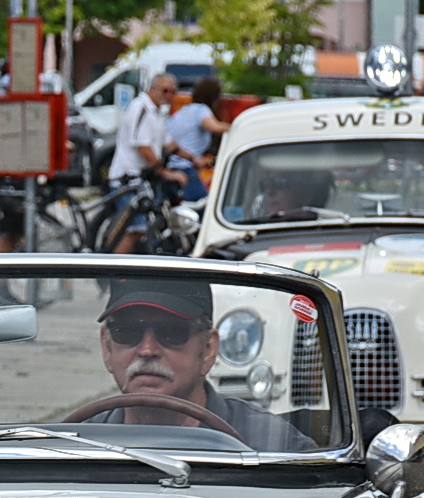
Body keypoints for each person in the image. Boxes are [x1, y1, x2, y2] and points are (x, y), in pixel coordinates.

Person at [88, 279, 312, 452]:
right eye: (126, 332)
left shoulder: (271, 446)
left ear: (208, 349)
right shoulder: (77, 444)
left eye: (172, 332)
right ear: (107, 347)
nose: (147, 350)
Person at [106, 72, 198, 250]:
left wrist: (196, 160)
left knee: (146, 229)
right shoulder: (141, 108)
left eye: (173, 91)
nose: (169, 96)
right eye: (165, 91)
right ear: (152, 89)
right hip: (128, 179)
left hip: (142, 181)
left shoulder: (156, 112)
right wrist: (165, 172)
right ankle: (113, 275)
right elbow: (143, 147)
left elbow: (169, 144)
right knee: (135, 231)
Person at [164, 77, 227, 200]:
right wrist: (237, 127)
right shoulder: (201, 110)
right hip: (185, 169)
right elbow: (214, 127)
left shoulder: (184, 111)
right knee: (202, 209)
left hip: (170, 168)